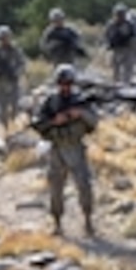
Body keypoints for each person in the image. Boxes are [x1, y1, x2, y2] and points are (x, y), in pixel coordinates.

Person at [32, 64, 99, 237]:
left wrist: (79, 114)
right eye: (62, 83)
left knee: (84, 186)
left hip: (75, 147)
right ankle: (57, 223)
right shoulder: (50, 102)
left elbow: (93, 122)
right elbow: (38, 123)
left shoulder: (81, 101)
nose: (65, 86)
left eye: (68, 83)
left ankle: (88, 221)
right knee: (55, 188)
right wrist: (55, 121)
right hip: (56, 149)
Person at [0, 25, 26, 133]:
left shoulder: (15, 50)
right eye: (2, 37)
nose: (4, 40)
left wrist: (17, 72)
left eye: (6, 37)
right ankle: (5, 129)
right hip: (1, 82)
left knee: (15, 106)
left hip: (14, 81)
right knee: (2, 108)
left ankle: (14, 128)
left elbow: (22, 63)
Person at [104, 3, 136, 85]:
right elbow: (107, 36)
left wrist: (132, 45)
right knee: (116, 68)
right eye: (118, 14)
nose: (120, 16)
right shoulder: (111, 25)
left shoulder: (129, 24)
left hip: (127, 48)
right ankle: (116, 83)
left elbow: (133, 36)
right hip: (116, 49)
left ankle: (126, 83)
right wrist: (108, 45)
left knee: (128, 68)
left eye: (122, 14)